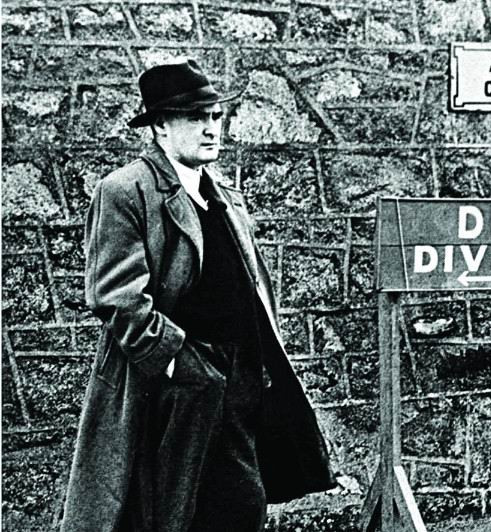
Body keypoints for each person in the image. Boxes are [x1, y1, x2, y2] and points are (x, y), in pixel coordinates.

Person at [60, 59, 336, 532]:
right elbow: (116, 295)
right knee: (168, 514)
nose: (211, 129)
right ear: (160, 127)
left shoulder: (224, 197)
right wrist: (176, 362)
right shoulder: (126, 191)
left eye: (215, 116)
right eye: (195, 117)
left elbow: (249, 290)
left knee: (242, 506)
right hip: (169, 391)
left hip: (239, 381)